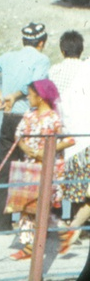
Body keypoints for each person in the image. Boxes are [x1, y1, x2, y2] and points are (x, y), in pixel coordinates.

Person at [0, 22, 51, 232]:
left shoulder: (8, 57)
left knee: (4, 169)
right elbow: (35, 84)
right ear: (42, 43)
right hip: (29, 118)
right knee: (32, 168)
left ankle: (0, 223)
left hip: (8, 119)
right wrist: (16, 95)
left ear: (23, 41)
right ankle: (28, 222)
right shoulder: (42, 59)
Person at [10, 79, 75, 260]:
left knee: (38, 205)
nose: (29, 98)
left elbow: (70, 139)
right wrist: (24, 147)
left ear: (40, 97)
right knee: (28, 206)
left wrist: (48, 149)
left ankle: (32, 248)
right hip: (30, 166)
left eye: (31, 95)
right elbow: (18, 134)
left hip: (48, 168)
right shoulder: (29, 115)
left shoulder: (54, 118)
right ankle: (58, 233)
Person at [53, 32, 90, 254]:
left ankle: (69, 227)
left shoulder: (60, 72)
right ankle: (76, 228)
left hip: (69, 137)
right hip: (83, 138)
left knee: (76, 188)